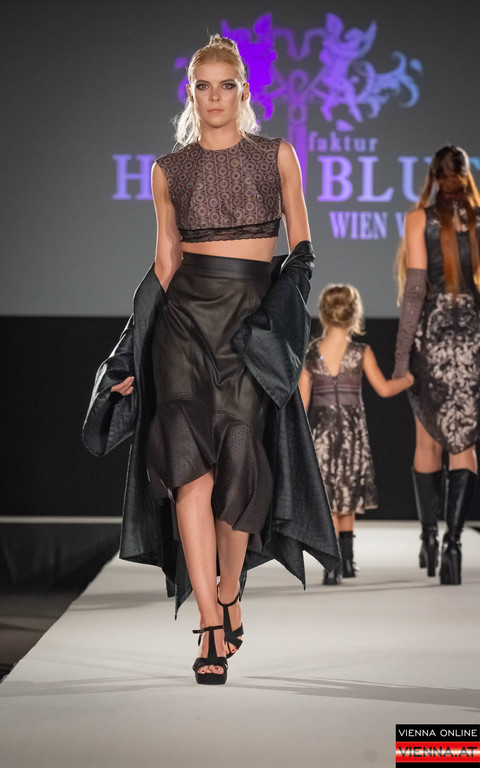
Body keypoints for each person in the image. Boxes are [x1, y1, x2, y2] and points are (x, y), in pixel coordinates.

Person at [83, 35, 339, 685]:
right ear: (190, 93)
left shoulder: (276, 155)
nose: (215, 96)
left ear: (243, 92)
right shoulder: (169, 169)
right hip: (182, 331)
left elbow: (301, 250)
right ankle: (207, 625)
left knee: (240, 467)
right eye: (204, 85)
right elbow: (164, 265)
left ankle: (229, 590)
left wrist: (278, 325)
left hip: (249, 329)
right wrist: (131, 352)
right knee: (189, 475)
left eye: (227, 85)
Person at [393, 145, 480, 585]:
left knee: (426, 440)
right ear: (466, 175)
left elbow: (414, 292)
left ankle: (428, 539)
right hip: (472, 338)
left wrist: (401, 356)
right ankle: (454, 544)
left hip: (432, 335)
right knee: (464, 442)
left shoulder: (418, 220)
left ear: (432, 176)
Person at [299, 284, 413, 584]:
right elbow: (384, 389)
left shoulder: (311, 353)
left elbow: (302, 403)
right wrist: (409, 379)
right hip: (351, 437)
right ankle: (348, 561)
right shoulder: (361, 352)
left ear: (324, 315)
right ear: (354, 315)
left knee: (328, 497)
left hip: (321, 436)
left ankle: (332, 565)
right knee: (347, 496)